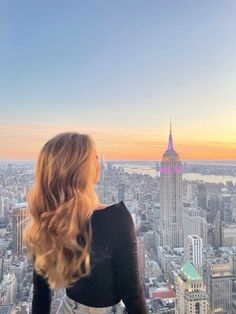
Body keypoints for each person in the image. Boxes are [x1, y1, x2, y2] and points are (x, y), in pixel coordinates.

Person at [23, 132, 148, 314]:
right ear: (78, 169)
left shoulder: (48, 219)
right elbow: (132, 293)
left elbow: (41, 293)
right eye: (93, 156)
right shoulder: (116, 217)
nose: (98, 158)